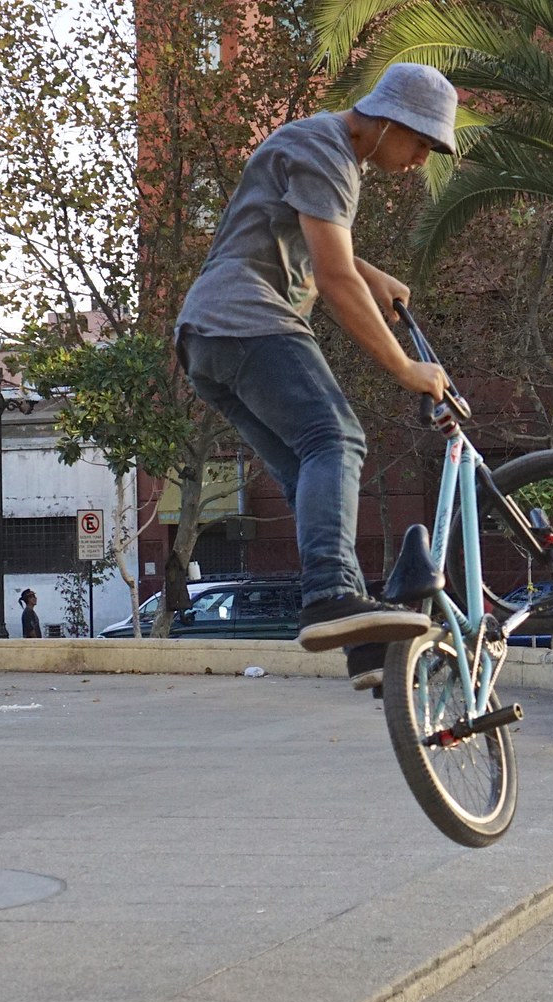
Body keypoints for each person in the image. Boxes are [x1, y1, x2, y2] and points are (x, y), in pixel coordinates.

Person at [175, 63, 457, 689]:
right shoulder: (326, 146)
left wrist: (369, 271)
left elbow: (315, 239)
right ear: (389, 122)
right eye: (421, 144)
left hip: (207, 341)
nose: (419, 162)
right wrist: (405, 367)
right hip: (246, 318)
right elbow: (331, 279)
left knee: (309, 467)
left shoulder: (322, 151)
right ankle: (330, 594)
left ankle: (358, 642)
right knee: (337, 439)